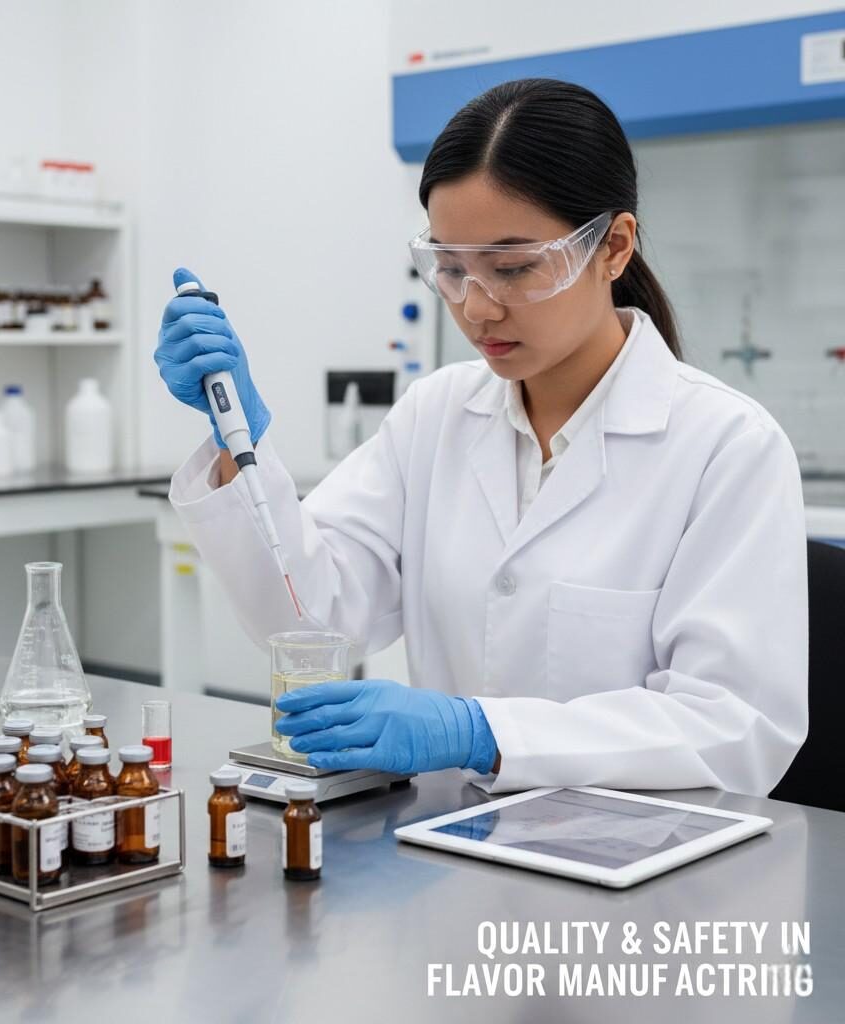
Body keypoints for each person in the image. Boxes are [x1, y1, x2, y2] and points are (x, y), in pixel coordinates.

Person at [155, 78, 807, 797]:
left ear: (614, 247)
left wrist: (482, 733)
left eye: (514, 268)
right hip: (448, 839)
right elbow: (311, 619)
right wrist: (237, 442)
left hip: (641, 853)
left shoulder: (727, 446)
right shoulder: (435, 415)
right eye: (451, 268)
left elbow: (734, 728)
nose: (476, 307)